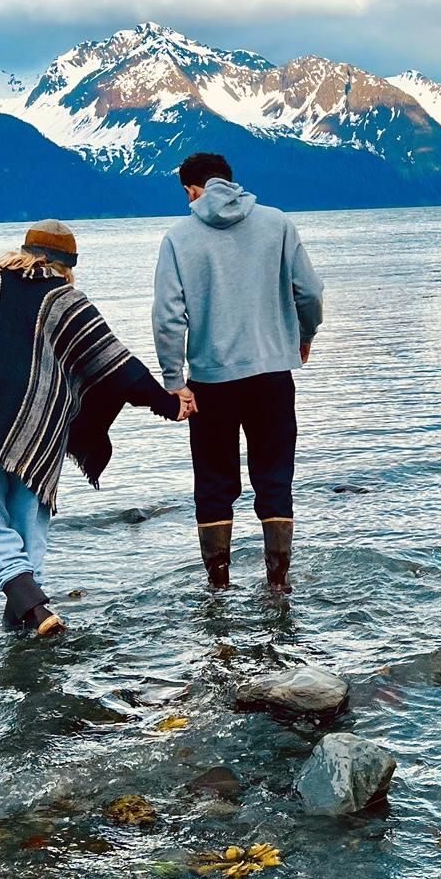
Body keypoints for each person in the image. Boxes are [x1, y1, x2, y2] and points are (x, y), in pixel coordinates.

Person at [0, 219, 190, 636]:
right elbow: (116, 365)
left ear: (26, 249)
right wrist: (169, 403)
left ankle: (31, 613)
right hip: (37, 429)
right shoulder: (65, 299)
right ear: (68, 264)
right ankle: (28, 619)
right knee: (28, 524)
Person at [152, 153, 324, 592]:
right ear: (229, 182)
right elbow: (309, 291)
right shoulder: (277, 223)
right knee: (274, 475)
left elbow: (169, 318)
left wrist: (174, 382)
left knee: (213, 481)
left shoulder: (179, 237)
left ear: (192, 191)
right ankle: (278, 583)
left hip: (211, 382)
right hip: (271, 374)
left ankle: (219, 587)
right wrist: (303, 336)